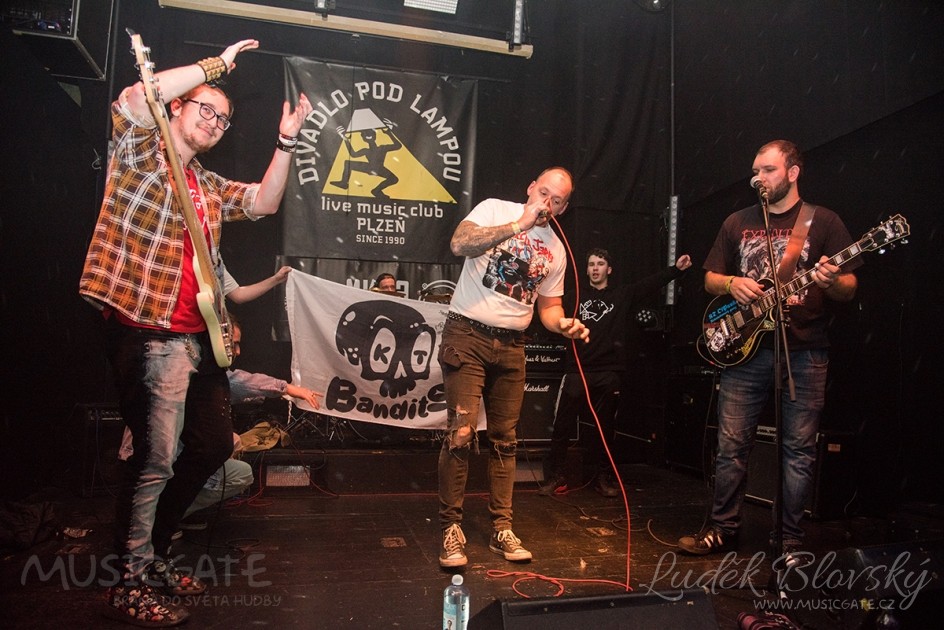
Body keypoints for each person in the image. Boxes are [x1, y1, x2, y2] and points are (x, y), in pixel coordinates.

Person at [78, 37, 313, 626]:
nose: (213, 121)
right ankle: (127, 579)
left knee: (212, 446)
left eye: (223, 118)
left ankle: (154, 553)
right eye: (204, 108)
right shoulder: (139, 151)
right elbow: (139, 99)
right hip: (148, 330)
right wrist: (216, 67)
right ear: (178, 107)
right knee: (155, 459)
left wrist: (286, 142)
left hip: (198, 339)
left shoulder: (205, 185)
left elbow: (262, 202)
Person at [677, 140, 860, 557]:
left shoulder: (823, 220)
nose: (758, 178)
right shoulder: (737, 221)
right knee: (731, 445)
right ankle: (722, 527)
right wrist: (731, 284)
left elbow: (850, 287)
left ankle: (789, 536)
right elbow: (709, 278)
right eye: (755, 171)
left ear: (793, 173)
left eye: (768, 170)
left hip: (804, 350)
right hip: (745, 350)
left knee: (798, 450)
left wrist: (833, 281)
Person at [437, 166, 589, 568]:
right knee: (461, 432)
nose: (548, 203)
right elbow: (459, 243)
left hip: (512, 345)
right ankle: (451, 528)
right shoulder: (495, 210)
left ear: (564, 207)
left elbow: (549, 308)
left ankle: (501, 528)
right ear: (531, 188)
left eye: (557, 200)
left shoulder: (556, 250)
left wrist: (563, 325)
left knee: (505, 440)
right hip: (466, 334)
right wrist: (519, 224)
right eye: (544, 193)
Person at [540, 249, 692, 498]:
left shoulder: (622, 295)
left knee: (605, 428)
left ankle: (603, 476)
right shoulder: (574, 296)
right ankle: (556, 476)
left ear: (609, 269)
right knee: (562, 426)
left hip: (609, 371)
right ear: (586, 269)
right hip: (577, 370)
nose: (595, 268)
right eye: (591, 264)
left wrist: (676, 270)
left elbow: (649, 285)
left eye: (600, 263)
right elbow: (549, 310)